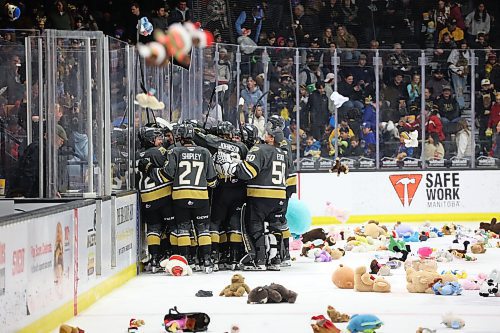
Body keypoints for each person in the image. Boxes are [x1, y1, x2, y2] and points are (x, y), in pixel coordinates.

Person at [139, 123, 217, 273]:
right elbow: (212, 181)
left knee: (183, 230)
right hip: (201, 197)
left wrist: (149, 169)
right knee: (203, 230)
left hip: (180, 197)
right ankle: (206, 261)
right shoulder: (205, 152)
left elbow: (166, 175)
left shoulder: (174, 151)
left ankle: (185, 261)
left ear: (180, 137)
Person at [225, 124, 289, 271]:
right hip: (279, 195)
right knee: (274, 228)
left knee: (255, 226)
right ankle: (275, 259)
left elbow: (249, 172)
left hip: (260, 195)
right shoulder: (283, 153)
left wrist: (232, 167)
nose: (265, 134)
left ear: (271, 138)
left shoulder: (260, 149)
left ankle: (258, 260)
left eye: (268, 133)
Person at [193, 121, 248, 271]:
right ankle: (234, 258)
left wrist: (200, 130)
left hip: (221, 188)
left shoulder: (214, 142)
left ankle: (214, 256)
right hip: (239, 188)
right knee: (235, 222)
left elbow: (198, 137)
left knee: (215, 222)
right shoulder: (242, 147)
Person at [135, 127, 173, 273]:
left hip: (146, 197)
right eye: (158, 138)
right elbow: (170, 168)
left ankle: (155, 258)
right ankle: (170, 255)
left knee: (153, 229)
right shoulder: (159, 151)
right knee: (172, 227)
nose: (161, 140)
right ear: (151, 140)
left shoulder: (137, 154)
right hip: (163, 195)